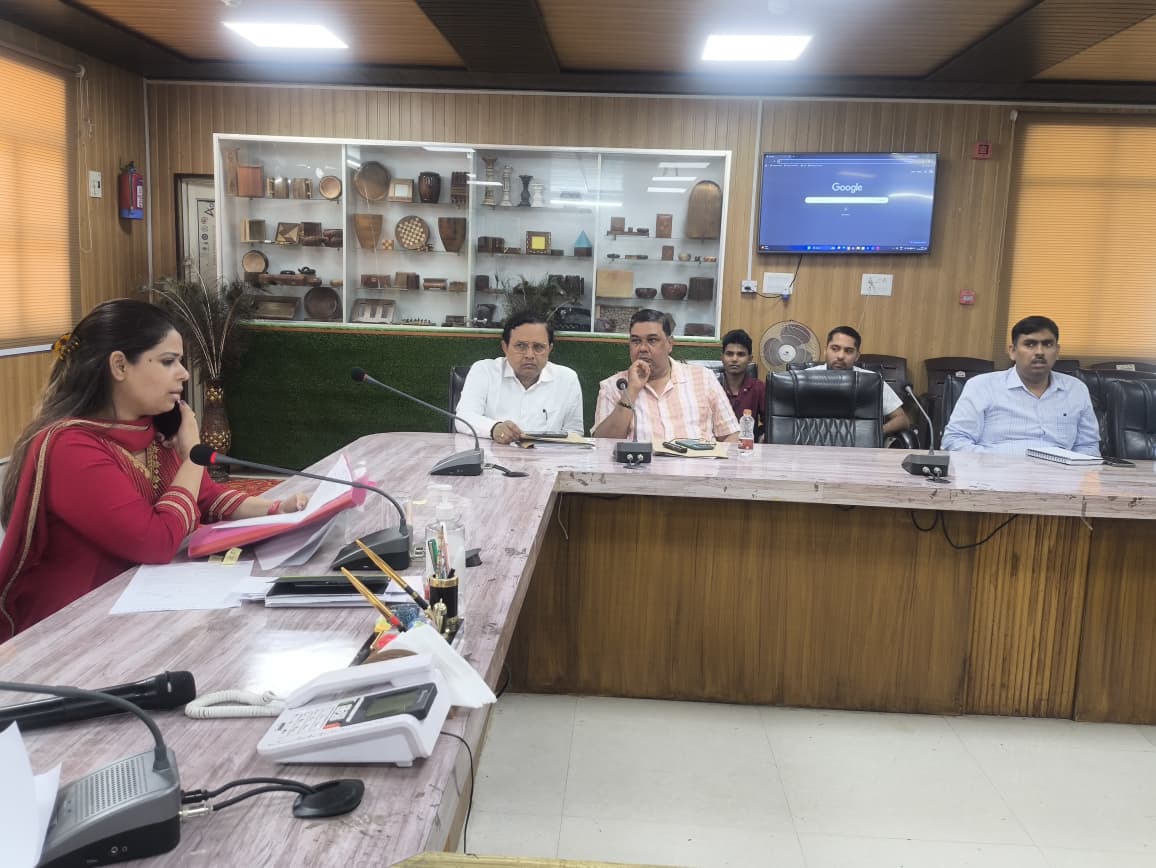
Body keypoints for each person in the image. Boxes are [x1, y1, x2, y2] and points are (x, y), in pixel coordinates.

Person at [0, 299, 307, 640]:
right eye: (168, 361)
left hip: (140, 609)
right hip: (74, 628)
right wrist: (193, 456)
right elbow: (156, 542)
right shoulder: (70, 447)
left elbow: (205, 497)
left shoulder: (149, 431)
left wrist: (278, 510)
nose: (184, 373)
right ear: (120, 366)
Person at [942, 315, 1099, 455]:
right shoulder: (982, 386)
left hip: (1060, 475)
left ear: (1057, 351)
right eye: (1030, 344)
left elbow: (1089, 446)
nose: (1039, 352)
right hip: (996, 473)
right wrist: (996, 463)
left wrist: (1074, 470)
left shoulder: (1075, 389)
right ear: (1012, 351)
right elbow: (954, 441)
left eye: (1047, 344)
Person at [593, 310, 739, 442]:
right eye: (636, 341)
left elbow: (731, 435)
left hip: (697, 463)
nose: (642, 348)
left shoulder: (704, 378)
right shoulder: (614, 386)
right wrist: (631, 391)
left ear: (669, 344)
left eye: (652, 340)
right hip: (640, 464)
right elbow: (602, 444)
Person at [455, 310, 584, 445]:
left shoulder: (567, 379)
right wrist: (493, 428)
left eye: (538, 347)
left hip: (545, 457)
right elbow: (463, 418)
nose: (529, 355)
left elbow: (574, 433)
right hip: (491, 456)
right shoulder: (484, 371)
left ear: (549, 349)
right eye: (520, 346)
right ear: (505, 347)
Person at [811, 326, 909, 436]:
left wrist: (875, 434)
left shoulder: (872, 381)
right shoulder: (805, 378)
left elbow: (902, 419)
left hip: (857, 442)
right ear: (825, 350)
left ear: (857, 356)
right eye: (835, 348)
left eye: (848, 351)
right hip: (814, 441)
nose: (840, 356)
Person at [719, 328, 765, 438]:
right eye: (729, 354)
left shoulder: (759, 388)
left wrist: (761, 437)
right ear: (722, 357)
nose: (734, 359)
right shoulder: (712, 386)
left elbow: (771, 424)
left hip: (747, 445)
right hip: (717, 445)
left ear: (750, 359)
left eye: (740, 354)